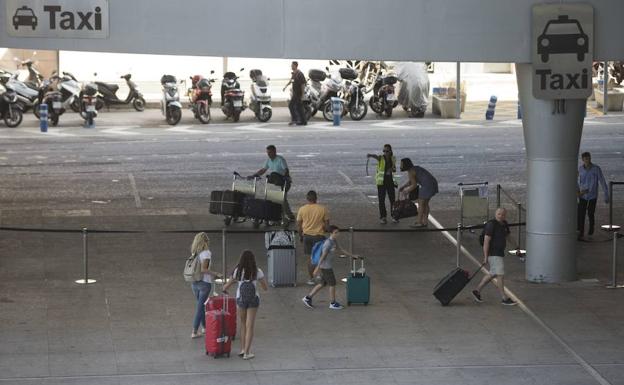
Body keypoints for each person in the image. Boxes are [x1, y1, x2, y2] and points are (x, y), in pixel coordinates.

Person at [222, 250, 268, 360]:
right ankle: (247, 352)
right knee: (250, 326)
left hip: (240, 299)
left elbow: (225, 287)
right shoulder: (257, 271)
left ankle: (242, 349)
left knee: (242, 324)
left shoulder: (237, 271)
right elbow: (265, 287)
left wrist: (226, 289)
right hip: (253, 300)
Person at [302, 225, 357, 310]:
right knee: (333, 284)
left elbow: (341, 250)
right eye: (336, 233)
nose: (338, 234)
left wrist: (352, 255)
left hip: (326, 266)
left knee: (322, 283)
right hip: (326, 267)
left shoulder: (334, 241)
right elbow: (323, 256)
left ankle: (308, 298)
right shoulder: (328, 243)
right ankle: (333, 303)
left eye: (338, 232)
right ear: (331, 233)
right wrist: (317, 268)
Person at [471, 208, 517, 306]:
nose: (501, 216)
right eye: (499, 214)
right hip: (494, 253)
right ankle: (504, 298)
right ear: (495, 214)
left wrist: (516, 246)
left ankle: (477, 290)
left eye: (503, 214)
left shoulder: (504, 224)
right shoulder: (491, 225)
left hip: (499, 252)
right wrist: (485, 256)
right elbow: (486, 241)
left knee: (493, 273)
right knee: (500, 275)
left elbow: (508, 236)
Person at [189, 232, 223, 339]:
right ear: (206, 242)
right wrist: (216, 274)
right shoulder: (206, 253)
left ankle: (204, 327)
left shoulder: (195, 253)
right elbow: (204, 269)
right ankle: (194, 331)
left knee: (201, 305)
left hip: (194, 282)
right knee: (200, 308)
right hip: (204, 283)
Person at [252, 144, 295, 221]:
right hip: (275, 182)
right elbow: (263, 170)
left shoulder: (280, 159)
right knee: (271, 197)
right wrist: (254, 175)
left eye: (270, 152)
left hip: (284, 182)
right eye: (267, 153)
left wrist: (286, 175)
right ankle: (275, 213)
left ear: (275, 151)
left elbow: (286, 169)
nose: (268, 154)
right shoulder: (268, 160)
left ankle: (289, 215)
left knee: (282, 198)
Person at [297, 190, 330, 285]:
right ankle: (321, 276)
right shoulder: (322, 209)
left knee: (311, 259)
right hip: (319, 237)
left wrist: (301, 236)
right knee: (321, 258)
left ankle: (311, 278)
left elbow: (299, 225)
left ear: (307, 199)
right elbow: (327, 226)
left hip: (307, 236)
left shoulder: (302, 209)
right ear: (316, 198)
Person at [577, 152, 609, 240]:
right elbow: (577, 181)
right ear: (583, 160)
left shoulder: (596, 169)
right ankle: (581, 232)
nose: (588, 160)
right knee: (581, 214)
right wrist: (578, 192)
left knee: (591, 213)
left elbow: (602, 181)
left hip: (592, 195)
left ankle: (591, 228)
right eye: (586, 159)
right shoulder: (580, 169)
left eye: (589, 158)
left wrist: (606, 195)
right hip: (583, 195)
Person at [398, 158, 438, 228]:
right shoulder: (414, 168)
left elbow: (414, 185)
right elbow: (412, 181)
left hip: (427, 186)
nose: (400, 166)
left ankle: (419, 222)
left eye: (401, 164)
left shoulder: (411, 171)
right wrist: (404, 186)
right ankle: (425, 222)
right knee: (425, 204)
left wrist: (406, 191)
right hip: (433, 183)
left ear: (405, 165)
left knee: (421, 203)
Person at [367, 144, 398, 224]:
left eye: (386, 151)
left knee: (392, 200)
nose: (385, 152)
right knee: (381, 200)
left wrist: (391, 169)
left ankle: (394, 216)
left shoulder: (393, 158)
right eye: (383, 151)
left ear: (390, 151)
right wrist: (370, 155)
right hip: (381, 182)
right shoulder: (381, 158)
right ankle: (383, 217)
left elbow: (394, 169)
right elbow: (376, 156)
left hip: (390, 182)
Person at [284, 61, 307, 126]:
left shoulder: (300, 74)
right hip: (295, 93)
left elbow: (303, 84)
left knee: (292, 105)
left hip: (298, 94)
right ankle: (302, 121)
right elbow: (291, 80)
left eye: (292, 65)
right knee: (299, 107)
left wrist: (302, 95)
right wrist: (285, 86)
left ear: (295, 65)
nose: (291, 66)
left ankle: (296, 120)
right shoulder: (294, 74)